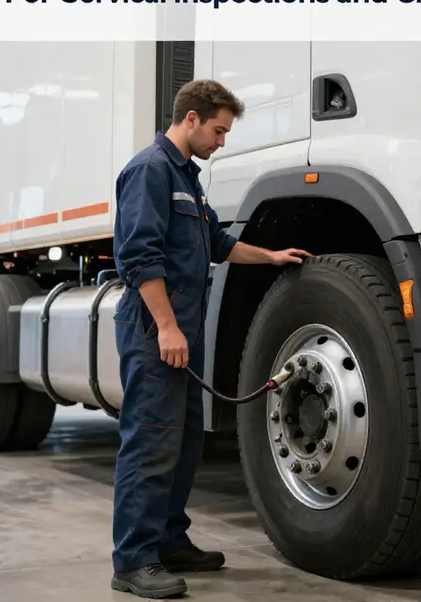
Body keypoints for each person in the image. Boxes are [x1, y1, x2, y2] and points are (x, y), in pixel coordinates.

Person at [110, 79, 311, 599]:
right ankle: (132, 560)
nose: (222, 141)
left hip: (183, 329)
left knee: (183, 440)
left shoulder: (187, 178)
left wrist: (269, 256)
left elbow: (215, 242)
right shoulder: (150, 171)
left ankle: (169, 542)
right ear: (192, 118)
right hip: (155, 329)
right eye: (219, 131)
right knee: (151, 441)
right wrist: (169, 327)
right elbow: (138, 258)